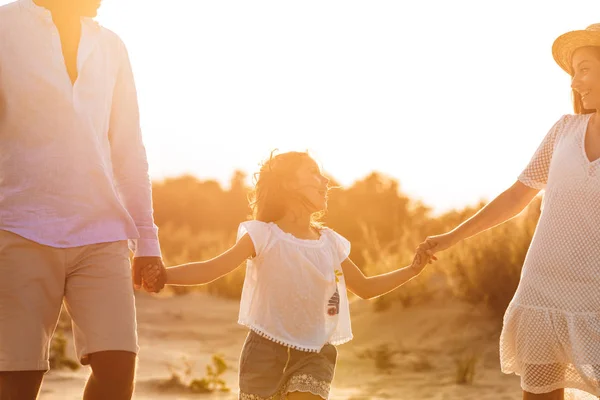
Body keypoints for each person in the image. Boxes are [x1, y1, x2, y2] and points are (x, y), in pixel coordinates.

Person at [143, 151, 434, 400]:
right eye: (314, 174)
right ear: (287, 183)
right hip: (263, 351)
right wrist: (165, 275)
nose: (325, 181)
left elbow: (366, 288)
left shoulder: (330, 242)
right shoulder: (263, 234)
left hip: (316, 352)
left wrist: (412, 270)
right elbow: (213, 267)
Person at [416, 23, 600, 400]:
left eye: (584, 69)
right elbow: (517, 196)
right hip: (542, 289)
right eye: (573, 72)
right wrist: (452, 237)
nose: (575, 82)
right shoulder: (564, 130)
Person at [0, 1, 167, 399]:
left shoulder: (111, 46)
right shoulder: (4, 28)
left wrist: (147, 239)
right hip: (18, 227)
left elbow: (128, 148)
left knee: (118, 369)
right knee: (17, 381)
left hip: (102, 233)